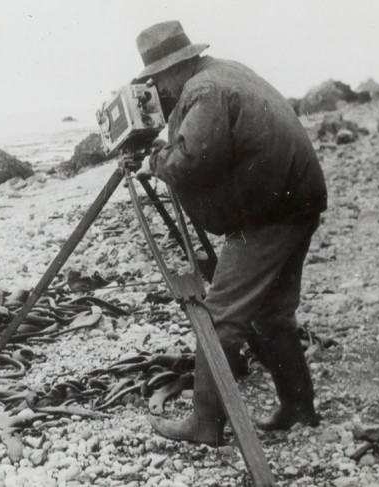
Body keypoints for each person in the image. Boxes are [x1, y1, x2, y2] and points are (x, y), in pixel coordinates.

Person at [133, 21, 328, 446]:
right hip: (297, 201)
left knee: (220, 314)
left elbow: (191, 159)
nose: (159, 90)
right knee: (272, 313)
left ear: (172, 68)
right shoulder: (224, 71)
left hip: (271, 214)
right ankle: (298, 407)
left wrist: (156, 161)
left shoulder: (203, 90)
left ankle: (204, 423)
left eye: (158, 81)